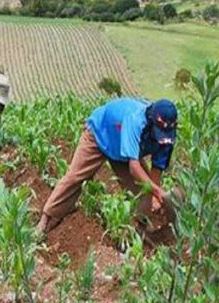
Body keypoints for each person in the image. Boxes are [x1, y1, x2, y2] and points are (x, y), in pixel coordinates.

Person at [36, 98, 179, 236]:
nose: (162, 137)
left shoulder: (168, 137)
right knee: (75, 176)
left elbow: (157, 169)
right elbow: (134, 168)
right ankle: (46, 218)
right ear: (151, 121)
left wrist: (155, 195)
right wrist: (159, 192)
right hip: (100, 134)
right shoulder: (135, 120)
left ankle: (143, 232)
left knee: (144, 191)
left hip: (123, 151)